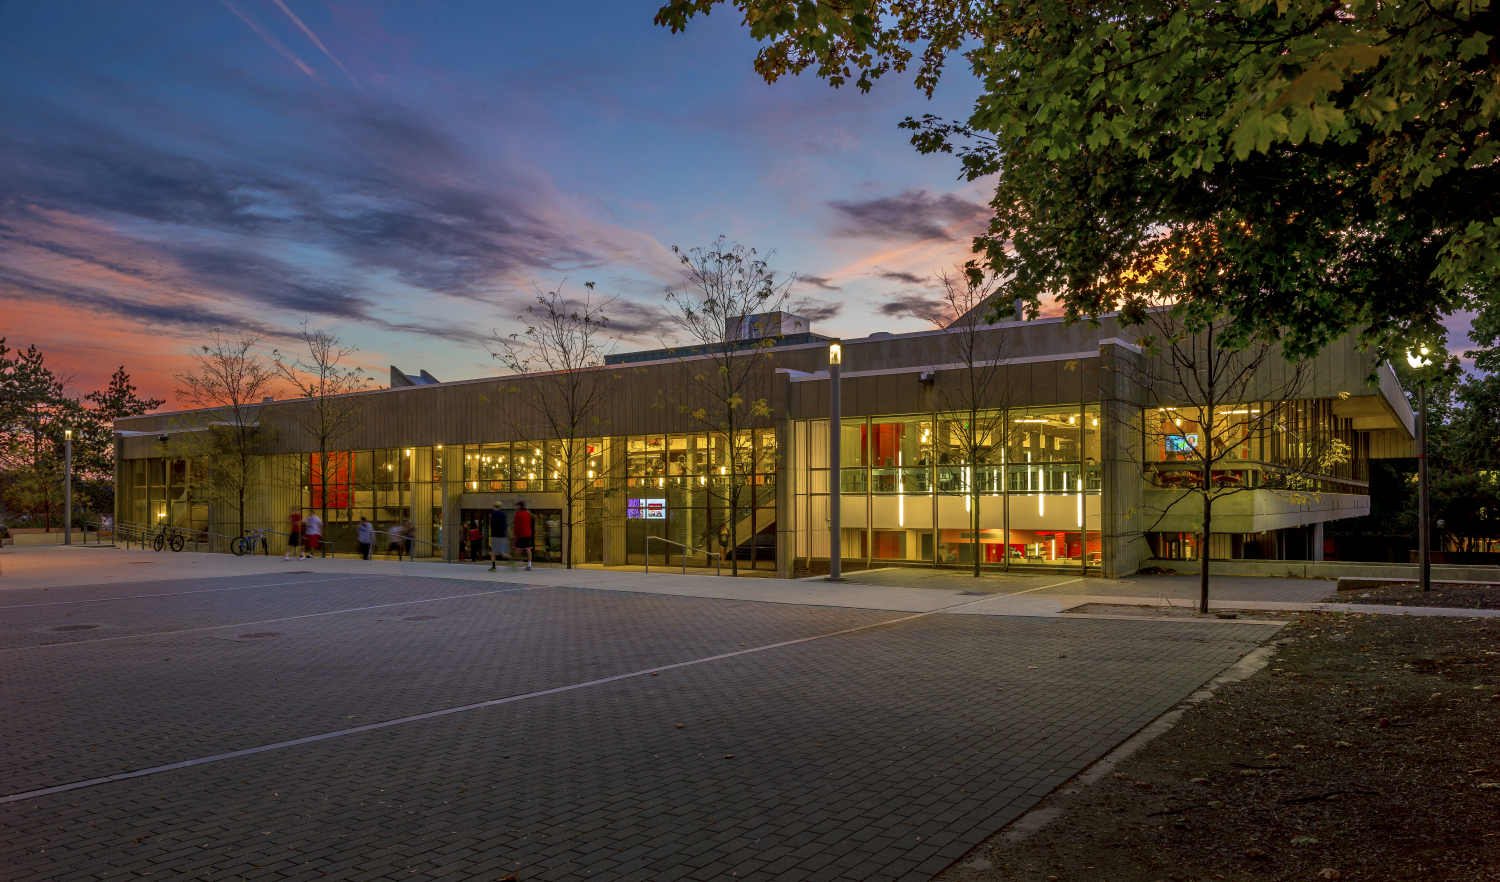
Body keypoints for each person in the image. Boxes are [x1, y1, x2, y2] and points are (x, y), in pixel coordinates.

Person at [488, 502, 514, 571]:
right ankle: (511, 560)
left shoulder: (493, 514)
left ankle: (493, 567)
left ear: (495, 506)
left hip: (496, 535)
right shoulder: (503, 514)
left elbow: (492, 525)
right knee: (503, 552)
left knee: (493, 552)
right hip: (503, 535)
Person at [513, 501, 534, 571]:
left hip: (521, 533)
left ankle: (517, 562)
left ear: (519, 506)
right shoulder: (528, 514)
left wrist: (516, 535)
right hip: (527, 533)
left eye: (516, 506)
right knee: (527, 548)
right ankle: (529, 564)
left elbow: (517, 525)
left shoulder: (518, 514)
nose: (515, 507)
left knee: (517, 548)